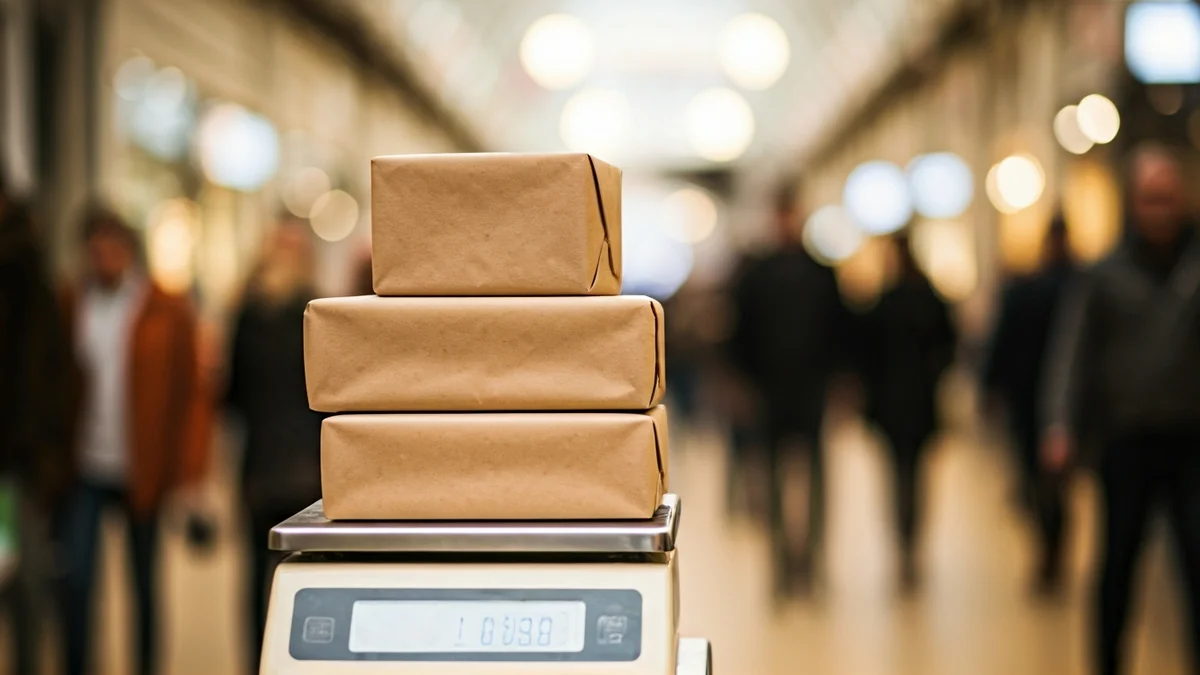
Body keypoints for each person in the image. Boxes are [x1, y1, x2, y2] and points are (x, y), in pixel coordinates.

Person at [1042, 144, 1200, 675]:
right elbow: (1072, 353)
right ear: (1134, 203)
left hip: (1189, 438)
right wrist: (1059, 423)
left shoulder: (1194, 267)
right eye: (1151, 199)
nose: (1161, 210)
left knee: (1195, 560)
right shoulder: (1105, 274)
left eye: (1168, 198)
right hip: (1126, 440)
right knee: (1118, 562)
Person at [60, 206, 212, 675]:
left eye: (113, 246)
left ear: (129, 249)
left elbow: (192, 394)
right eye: (96, 248)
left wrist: (190, 471)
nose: (105, 257)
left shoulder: (164, 307)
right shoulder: (71, 303)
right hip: (85, 466)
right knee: (77, 578)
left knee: (144, 582)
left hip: (142, 467)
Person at [726, 187, 851, 595]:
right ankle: (782, 559)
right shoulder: (757, 275)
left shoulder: (820, 272)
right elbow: (738, 334)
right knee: (775, 478)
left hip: (811, 389)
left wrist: (839, 383)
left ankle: (811, 558)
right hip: (770, 392)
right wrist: (741, 384)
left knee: (814, 475)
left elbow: (840, 332)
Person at [226, 217, 324, 670]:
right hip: (307, 467)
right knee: (304, 572)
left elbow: (230, 396)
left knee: (254, 571)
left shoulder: (246, 315)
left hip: (260, 469)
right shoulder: (315, 314)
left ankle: (257, 662)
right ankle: (297, 661)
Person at [0, 196, 76, 675]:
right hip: (22, 459)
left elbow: (53, 382)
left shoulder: (33, 286)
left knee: (23, 580)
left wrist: (48, 457)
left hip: (19, 461)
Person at [982, 216, 1076, 595]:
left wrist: (991, 387)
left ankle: (1051, 549)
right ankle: (1051, 547)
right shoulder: (1063, 288)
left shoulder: (1069, 288)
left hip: (1042, 402)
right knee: (1045, 483)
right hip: (1031, 401)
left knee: (1045, 483)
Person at [862, 234, 956, 591]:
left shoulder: (887, 302)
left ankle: (906, 542)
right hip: (913, 404)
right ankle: (909, 542)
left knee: (901, 477)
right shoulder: (925, 299)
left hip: (898, 406)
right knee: (911, 476)